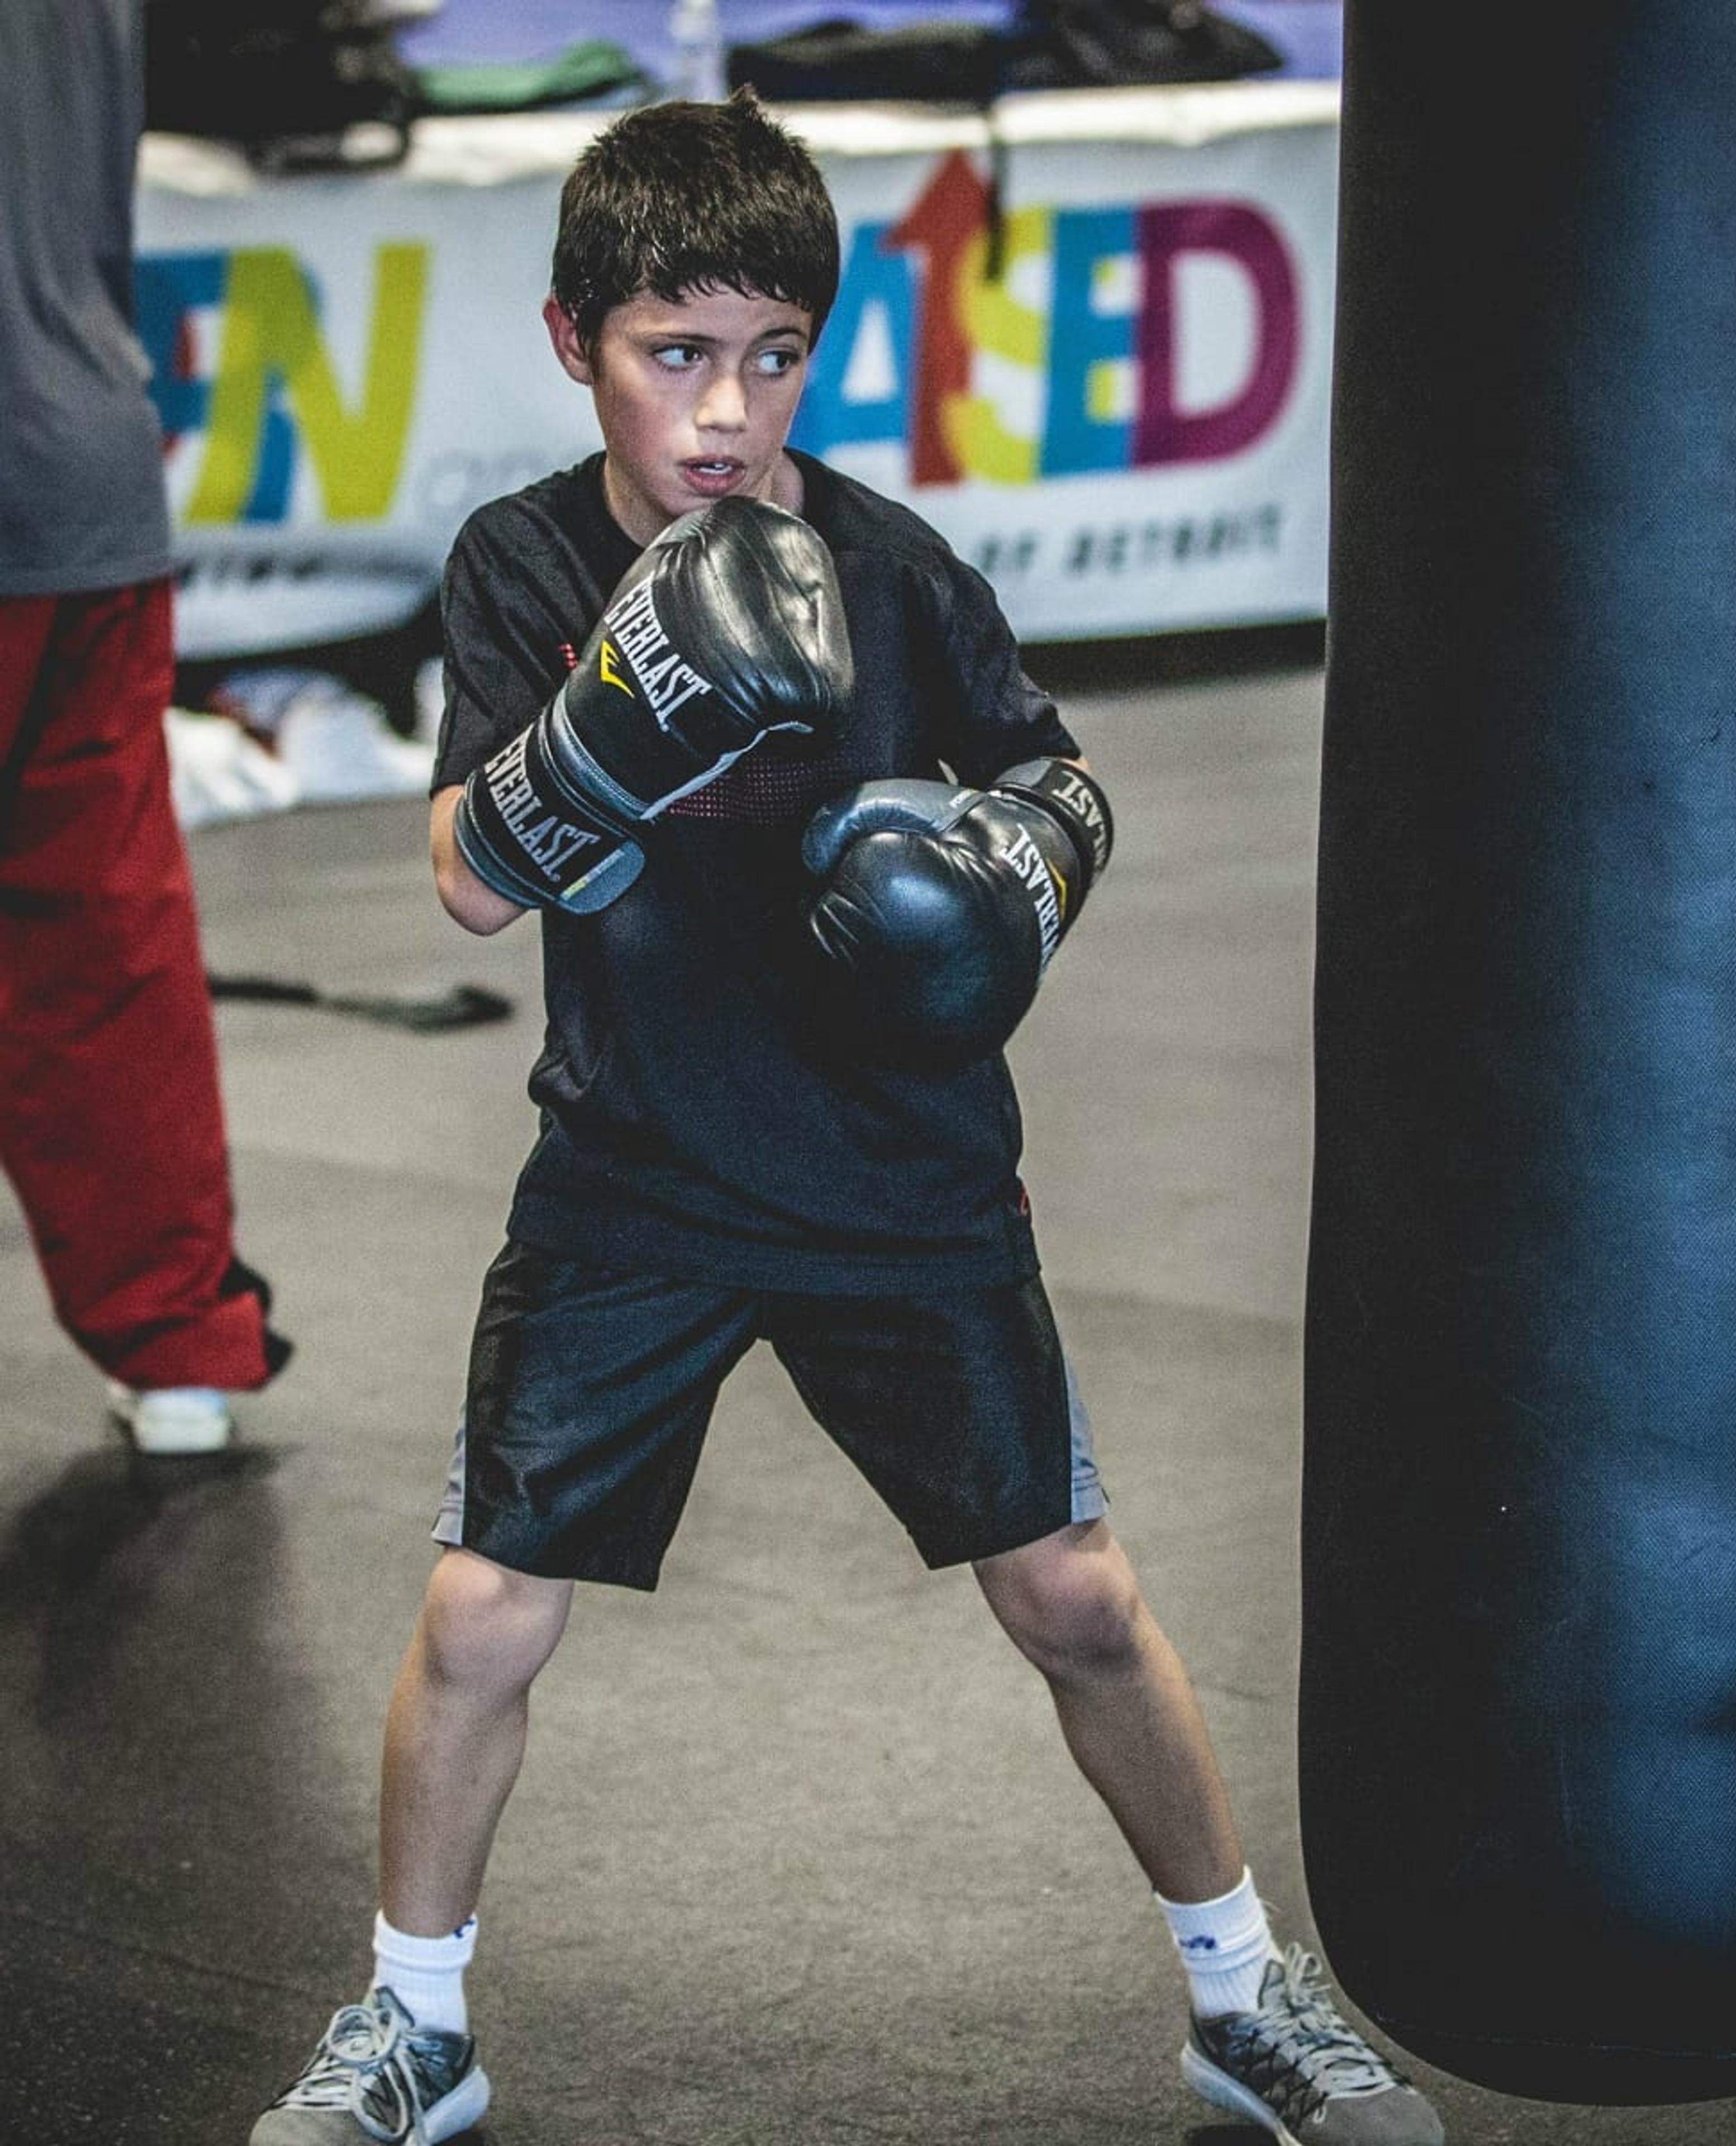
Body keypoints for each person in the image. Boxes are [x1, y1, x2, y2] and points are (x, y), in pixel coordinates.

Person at [248, 91, 1443, 2146]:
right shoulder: (521, 562)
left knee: (1075, 1592)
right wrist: (595, 748)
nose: (726, 408)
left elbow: (1064, 786)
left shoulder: (894, 575)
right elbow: (461, 871)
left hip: (901, 1168)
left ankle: (1245, 1994)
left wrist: (999, 883)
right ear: (576, 342)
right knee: (480, 1613)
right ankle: (415, 2026)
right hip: (633, 1169)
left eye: (774, 355)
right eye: (674, 353)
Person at [0, 0, 288, 1457]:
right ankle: (182, 1353)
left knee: (104, 923)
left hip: (72, 464)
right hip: (80, 461)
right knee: (100, 928)